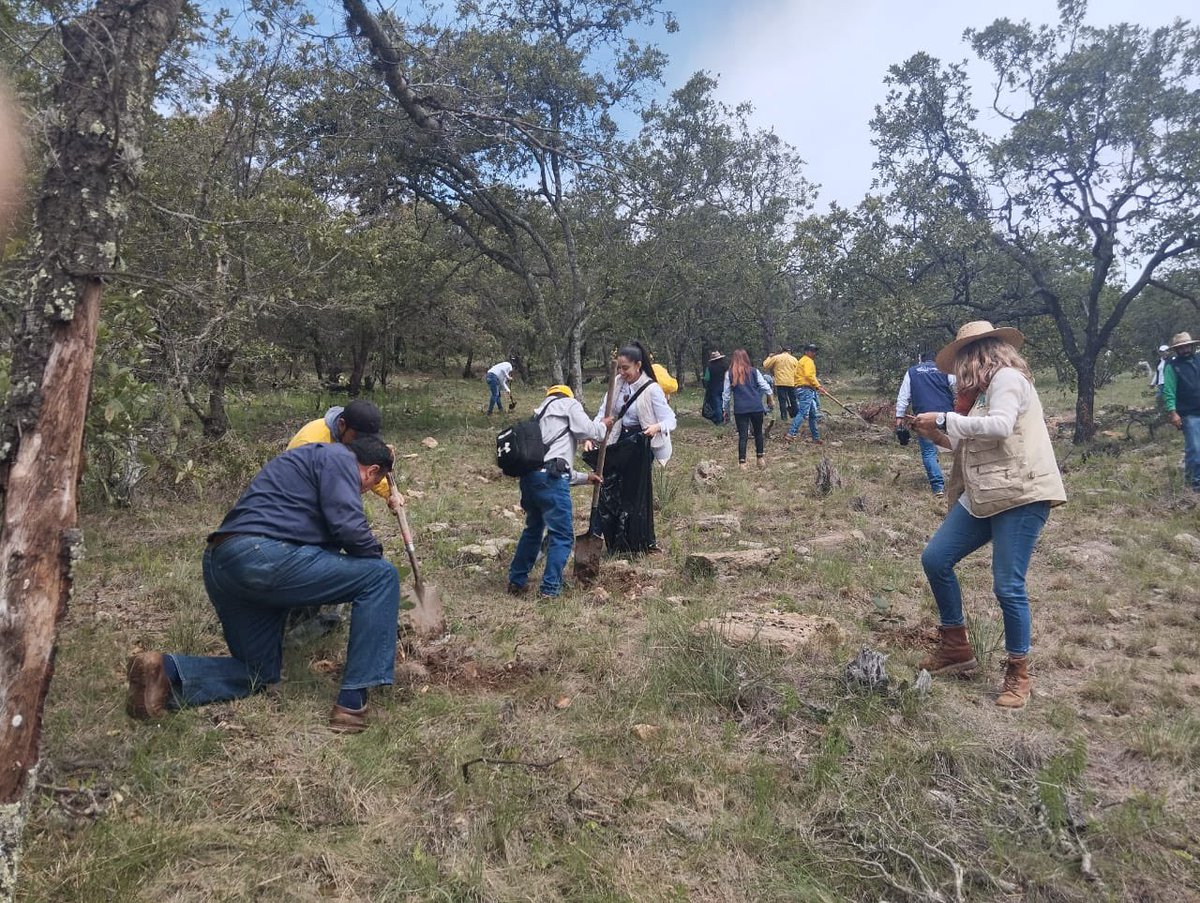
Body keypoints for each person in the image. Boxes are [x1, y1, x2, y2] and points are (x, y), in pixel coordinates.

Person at [125, 436, 401, 733]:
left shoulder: (308, 462)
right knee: (381, 576)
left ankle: (165, 674)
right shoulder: (339, 459)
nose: (364, 491)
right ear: (371, 472)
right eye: (370, 485)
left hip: (223, 563)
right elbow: (349, 527)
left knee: (258, 673)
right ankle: (352, 703)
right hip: (262, 556)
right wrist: (374, 556)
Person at [911, 321, 1066, 709]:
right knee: (936, 558)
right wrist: (935, 434)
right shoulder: (979, 394)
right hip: (986, 493)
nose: (957, 371)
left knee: (1007, 586)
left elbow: (999, 428)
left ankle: (1018, 671)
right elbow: (966, 441)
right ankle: (956, 646)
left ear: (975, 356)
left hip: (1022, 493)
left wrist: (945, 420)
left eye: (961, 361)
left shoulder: (1007, 380)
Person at [286, 399, 396, 641]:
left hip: (325, 506)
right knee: (324, 547)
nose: (360, 443)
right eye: (358, 437)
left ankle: (312, 609)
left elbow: (367, 469)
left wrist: (390, 494)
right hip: (299, 510)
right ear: (343, 425)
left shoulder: (352, 439)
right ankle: (295, 616)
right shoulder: (312, 441)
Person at [506, 386, 612, 598]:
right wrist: (603, 426)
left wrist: (585, 478)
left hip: (531, 480)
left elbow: (551, 462)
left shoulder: (537, 417)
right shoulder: (568, 404)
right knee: (562, 536)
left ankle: (516, 581)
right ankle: (550, 588)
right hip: (551, 480)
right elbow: (588, 432)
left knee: (533, 531)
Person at [590, 341, 677, 554]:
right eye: (619, 368)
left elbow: (670, 420)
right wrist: (592, 434)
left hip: (640, 444)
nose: (622, 372)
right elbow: (604, 412)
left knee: (634, 494)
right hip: (619, 441)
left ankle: (638, 541)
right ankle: (615, 541)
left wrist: (656, 427)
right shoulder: (616, 384)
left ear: (638, 365)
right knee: (612, 490)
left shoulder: (652, 389)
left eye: (626, 368)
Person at [894, 352, 957, 497]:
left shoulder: (912, 372)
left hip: (923, 418)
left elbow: (903, 396)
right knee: (957, 449)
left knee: (929, 452)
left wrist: (899, 418)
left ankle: (938, 488)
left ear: (920, 359)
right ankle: (959, 484)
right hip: (946, 417)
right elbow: (957, 389)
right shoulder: (946, 370)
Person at [722, 349, 773, 469]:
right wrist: (770, 398)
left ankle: (742, 463)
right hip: (756, 406)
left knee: (743, 435)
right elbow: (765, 386)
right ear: (746, 358)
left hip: (740, 409)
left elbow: (726, 395)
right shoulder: (754, 371)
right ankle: (760, 459)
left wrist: (725, 409)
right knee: (758, 432)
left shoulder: (729, 374)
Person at [1163, 331, 1200, 492]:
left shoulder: (1198, 361)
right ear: (1177, 349)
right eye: (1181, 347)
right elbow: (1169, 391)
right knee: (1194, 448)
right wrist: (1173, 412)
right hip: (1188, 413)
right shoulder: (1172, 367)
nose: (1185, 349)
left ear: (1191, 346)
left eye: (1187, 346)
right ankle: (1194, 483)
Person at [786, 343, 825, 444]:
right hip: (805, 389)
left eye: (814, 351)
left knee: (813, 414)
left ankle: (816, 437)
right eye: (812, 351)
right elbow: (809, 375)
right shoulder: (808, 361)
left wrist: (816, 386)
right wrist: (818, 386)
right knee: (803, 412)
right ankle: (791, 433)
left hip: (803, 389)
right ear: (806, 351)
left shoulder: (802, 361)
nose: (814, 353)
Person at [762, 345, 799, 430]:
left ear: (782, 350)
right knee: (793, 400)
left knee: (782, 401)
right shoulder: (794, 359)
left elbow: (765, 365)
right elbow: (798, 371)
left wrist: (769, 357)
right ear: (789, 351)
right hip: (791, 382)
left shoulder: (777, 358)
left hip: (780, 382)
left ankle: (784, 417)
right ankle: (796, 416)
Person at [702, 351, 728, 425]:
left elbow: (707, 378)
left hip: (714, 388)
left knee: (717, 404)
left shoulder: (709, 367)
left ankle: (719, 420)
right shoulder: (725, 366)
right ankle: (725, 417)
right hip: (724, 386)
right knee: (724, 402)